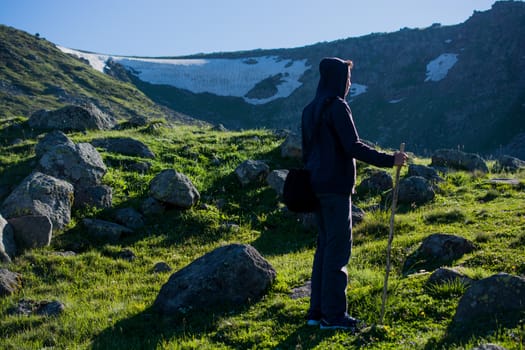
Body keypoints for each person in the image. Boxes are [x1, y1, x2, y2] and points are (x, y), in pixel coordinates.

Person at [301, 57, 408, 331]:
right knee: (338, 250)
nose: (349, 84)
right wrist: (390, 160)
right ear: (338, 80)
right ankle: (334, 316)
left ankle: (316, 313)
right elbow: (353, 146)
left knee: (324, 249)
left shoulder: (310, 110)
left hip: (316, 187)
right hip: (336, 188)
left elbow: (308, 153)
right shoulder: (337, 106)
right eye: (347, 79)